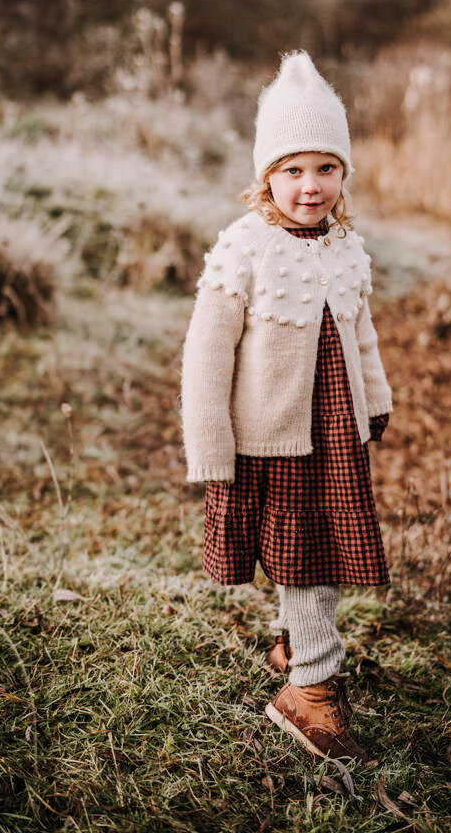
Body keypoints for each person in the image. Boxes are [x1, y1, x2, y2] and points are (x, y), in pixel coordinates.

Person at [180, 50, 393, 761]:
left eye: (326, 168)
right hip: (267, 438)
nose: (310, 186)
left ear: (344, 173)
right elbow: (205, 359)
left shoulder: (346, 246)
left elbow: (360, 334)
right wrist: (212, 448)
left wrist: (376, 401)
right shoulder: (242, 249)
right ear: (264, 174)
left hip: (334, 433)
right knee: (302, 555)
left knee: (314, 551)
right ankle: (310, 689)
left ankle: (295, 648)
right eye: (292, 169)